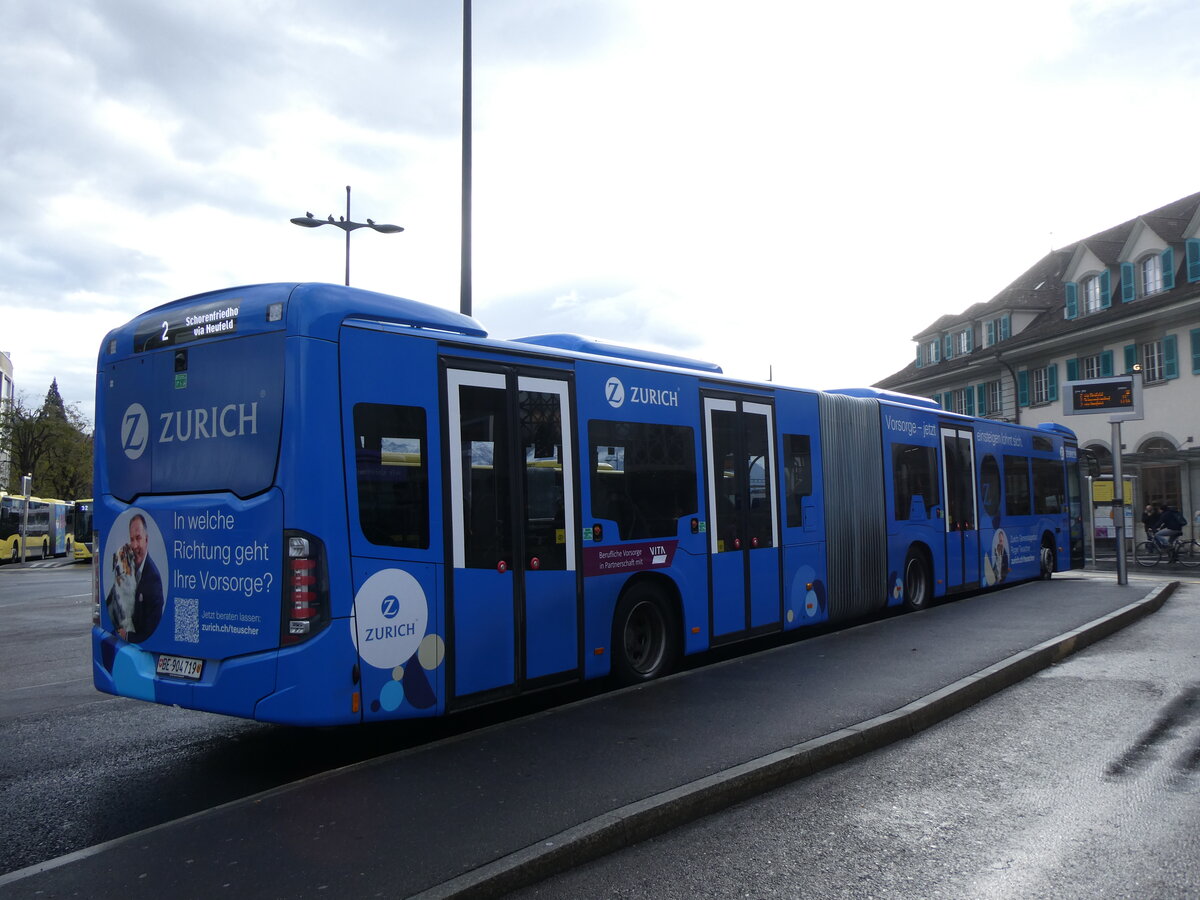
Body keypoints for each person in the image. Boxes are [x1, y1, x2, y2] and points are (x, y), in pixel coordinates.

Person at [126, 513, 164, 642]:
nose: (134, 545)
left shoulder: (153, 579)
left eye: (138, 538)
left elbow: (149, 633)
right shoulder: (128, 568)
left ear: (146, 540)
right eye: (132, 539)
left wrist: (126, 636)